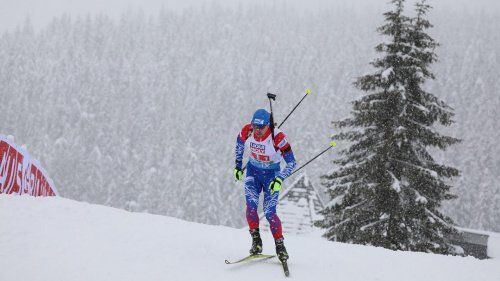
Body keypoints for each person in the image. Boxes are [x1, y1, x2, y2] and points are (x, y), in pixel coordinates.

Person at [234, 108, 296, 262]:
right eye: (255, 126)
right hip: (253, 173)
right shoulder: (247, 130)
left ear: (269, 125)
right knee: (251, 206)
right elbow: (239, 145)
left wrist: (280, 179)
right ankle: (256, 242)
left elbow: (292, 162)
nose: (257, 130)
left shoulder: (278, 137)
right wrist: (237, 166)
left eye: (261, 127)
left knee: (269, 212)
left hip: (271, 176)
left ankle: (280, 246)